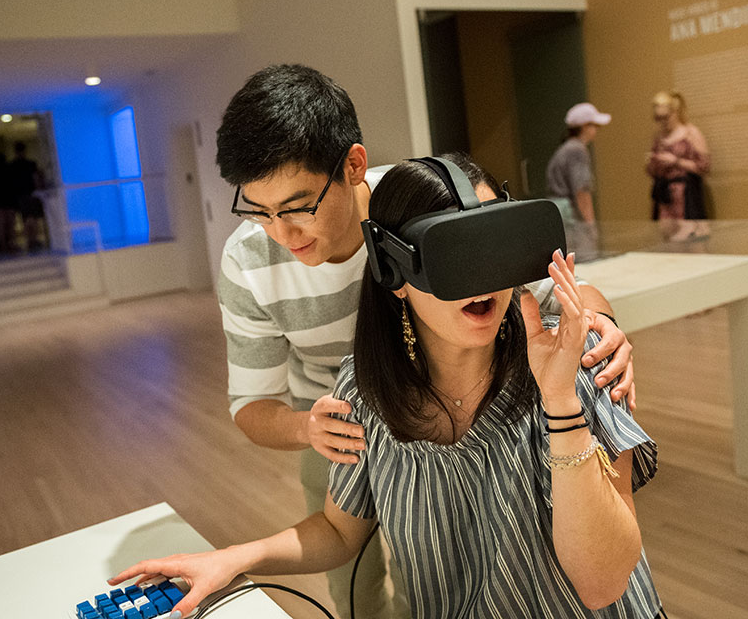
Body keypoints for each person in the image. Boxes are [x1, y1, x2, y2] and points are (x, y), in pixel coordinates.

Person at [109, 155, 662, 618]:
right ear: (396, 273)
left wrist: (563, 404)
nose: (483, 278)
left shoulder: (576, 366)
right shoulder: (365, 392)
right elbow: (339, 531)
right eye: (455, 254)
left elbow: (602, 584)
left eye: (493, 244)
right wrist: (231, 558)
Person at [208, 65, 637, 619]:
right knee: (364, 591)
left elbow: (540, 287)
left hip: (479, 401)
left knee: (464, 568)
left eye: (297, 207)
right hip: (342, 426)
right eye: (260, 212)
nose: (281, 233)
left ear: (353, 167)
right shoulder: (249, 262)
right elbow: (252, 407)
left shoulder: (422, 205)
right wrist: (309, 428)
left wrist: (602, 329)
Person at [546, 102, 610, 261]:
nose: (596, 130)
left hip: (560, 211)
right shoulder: (576, 150)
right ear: (585, 126)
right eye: (594, 125)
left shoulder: (567, 148)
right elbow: (581, 190)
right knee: (583, 258)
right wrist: (590, 225)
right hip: (571, 214)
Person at [646, 91, 710, 242]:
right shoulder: (659, 137)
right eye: (658, 118)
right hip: (665, 197)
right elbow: (652, 170)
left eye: (666, 117)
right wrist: (653, 163)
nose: (662, 122)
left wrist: (676, 161)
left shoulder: (690, 133)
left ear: (675, 112)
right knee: (668, 241)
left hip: (686, 195)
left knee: (691, 240)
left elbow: (704, 165)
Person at [9, 141, 46, 251]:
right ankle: (33, 239)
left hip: (20, 195)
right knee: (33, 218)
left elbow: (12, 183)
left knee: (25, 219)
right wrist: (39, 190)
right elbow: (35, 179)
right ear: (25, 151)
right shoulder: (30, 164)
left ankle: (29, 240)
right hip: (31, 193)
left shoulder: (12, 165)